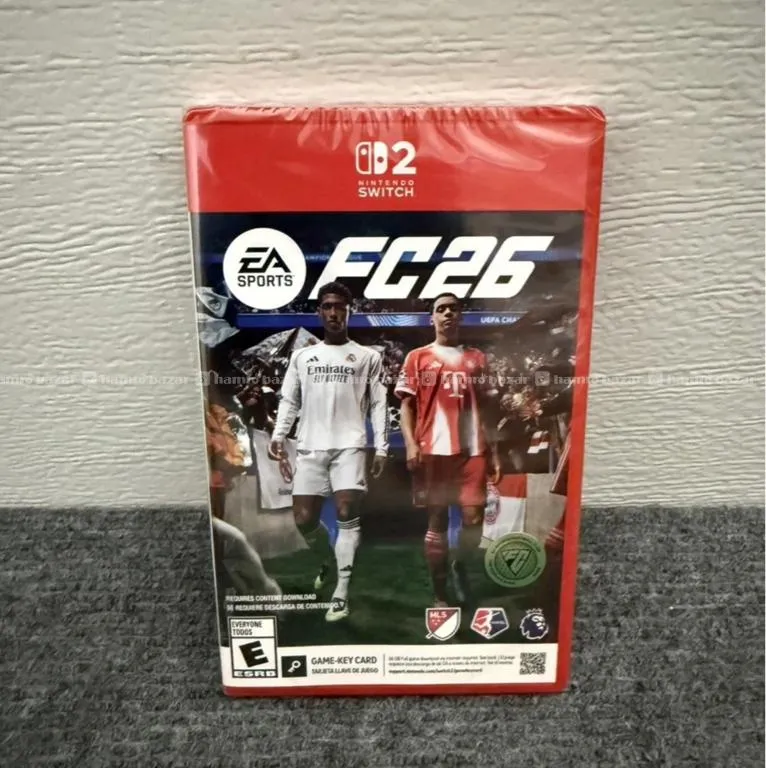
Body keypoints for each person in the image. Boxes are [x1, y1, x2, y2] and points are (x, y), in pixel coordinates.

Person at [269, 281, 388, 622]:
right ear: (319, 312)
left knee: (347, 511)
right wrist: (279, 434)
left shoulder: (368, 357)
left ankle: (341, 593)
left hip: (350, 445)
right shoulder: (302, 357)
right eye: (327, 306)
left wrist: (381, 447)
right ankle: (327, 559)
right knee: (303, 519)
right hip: (310, 445)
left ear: (350, 311)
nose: (334, 312)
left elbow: (379, 404)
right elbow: (290, 400)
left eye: (340, 306)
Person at [395, 292, 501, 607]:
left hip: (473, 450)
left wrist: (495, 451)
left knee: (474, 518)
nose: (447, 313)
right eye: (440, 309)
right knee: (437, 520)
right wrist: (411, 444)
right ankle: (440, 594)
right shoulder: (417, 357)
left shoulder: (477, 358)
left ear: (461, 316)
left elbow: (487, 408)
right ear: (432, 318)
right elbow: (406, 406)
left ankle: (460, 564)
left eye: (453, 308)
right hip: (433, 450)